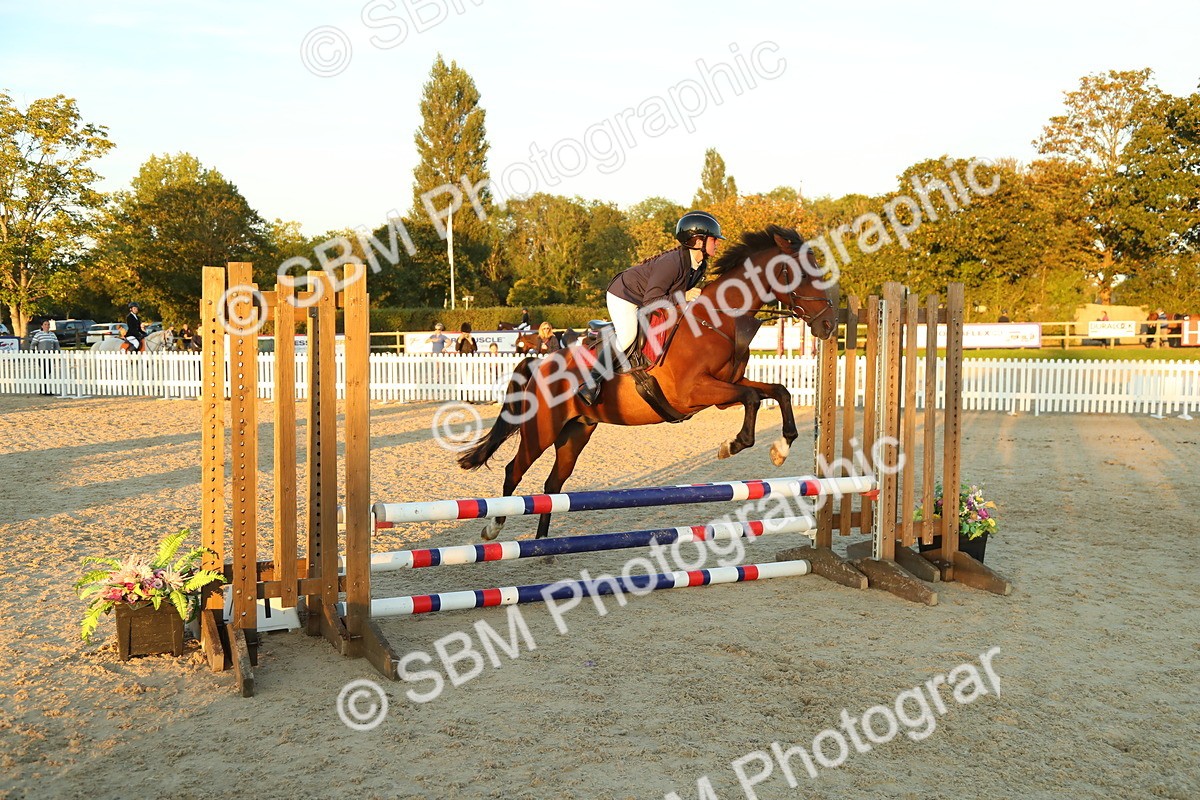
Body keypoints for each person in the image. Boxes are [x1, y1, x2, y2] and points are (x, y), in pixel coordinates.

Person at [577, 210, 724, 405]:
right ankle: (591, 381)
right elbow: (651, 300)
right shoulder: (672, 263)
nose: (718, 243)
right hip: (624, 295)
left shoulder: (699, 265)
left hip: (646, 297)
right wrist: (684, 296)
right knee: (628, 335)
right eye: (714, 239)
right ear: (698, 241)